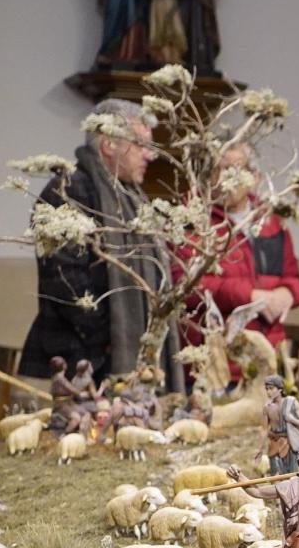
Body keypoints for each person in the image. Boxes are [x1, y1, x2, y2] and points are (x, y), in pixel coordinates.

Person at [17, 99, 186, 390]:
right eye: (141, 145)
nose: (150, 156)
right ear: (108, 143)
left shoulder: (132, 196)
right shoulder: (68, 191)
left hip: (115, 355)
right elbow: (66, 282)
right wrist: (111, 337)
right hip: (80, 360)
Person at [174, 145, 299, 382]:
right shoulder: (191, 220)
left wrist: (288, 294)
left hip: (268, 358)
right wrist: (249, 296)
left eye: (236, 170)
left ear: (254, 177)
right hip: (217, 365)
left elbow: (293, 278)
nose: (226, 179)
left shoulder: (270, 220)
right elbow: (186, 286)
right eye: (220, 170)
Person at [263, 376, 299, 476]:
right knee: (276, 476)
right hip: (274, 444)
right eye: (267, 389)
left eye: (271, 388)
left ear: (279, 389)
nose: (268, 392)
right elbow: (264, 429)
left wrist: (292, 419)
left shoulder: (291, 402)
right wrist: (259, 449)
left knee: (293, 475)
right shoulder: (267, 407)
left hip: (291, 444)